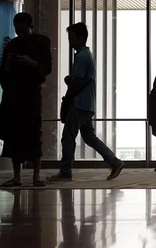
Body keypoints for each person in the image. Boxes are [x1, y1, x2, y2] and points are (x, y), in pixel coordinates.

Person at [47, 22, 124, 182]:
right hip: (87, 104)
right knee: (89, 137)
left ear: (81, 38)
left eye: (71, 37)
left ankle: (66, 170)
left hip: (79, 104)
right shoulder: (87, 55)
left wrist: (67, 100)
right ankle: (114, 162)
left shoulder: (81, 56)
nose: (69, 40)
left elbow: (77, 83)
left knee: (68, 136)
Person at [0, 13, 52, 187]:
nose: (18, 30)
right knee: (14, 134)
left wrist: (30, 63)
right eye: (16, 26)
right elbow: (4, 71)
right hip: (14, 94)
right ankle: (17, 176)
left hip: (31, 93)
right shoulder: (12, 44)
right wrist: (10, 64)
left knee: (34, 132)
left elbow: (47, 68)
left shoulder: (42, 42)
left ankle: (36, 175)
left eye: (21, 26)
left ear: (30, 25)